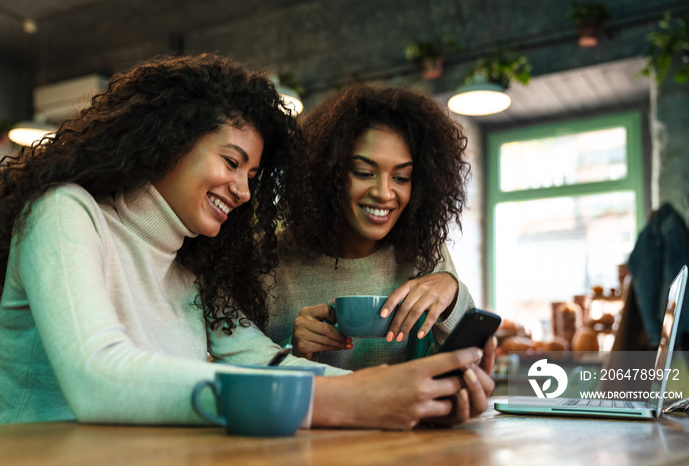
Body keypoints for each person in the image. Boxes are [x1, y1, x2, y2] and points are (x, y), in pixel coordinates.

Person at [0, 53, 495, 430]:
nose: (242, 190)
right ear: (169, 140)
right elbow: (97, 378)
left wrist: (414, 398)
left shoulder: (190, 267)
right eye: (232, 162)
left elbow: (267, 360)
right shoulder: (66, 213)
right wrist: (347, 400)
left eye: (253, 174)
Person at [265, 84, 480, 371]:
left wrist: (453, 296)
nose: (384, 192)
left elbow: (468, 362)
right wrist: (294, 351)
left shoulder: (423, 252)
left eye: (402, 177)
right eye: (364, 173)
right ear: (326, 174)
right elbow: (235, 363)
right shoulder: (270, 258)